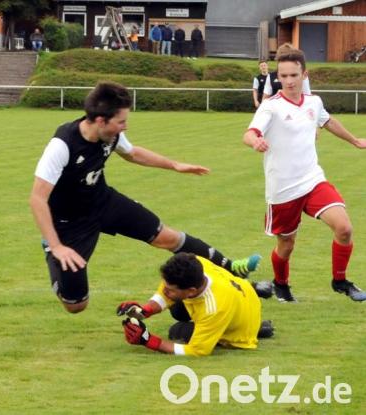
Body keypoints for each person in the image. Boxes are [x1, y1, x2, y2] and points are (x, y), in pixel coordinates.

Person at [30, 82, 261, 314]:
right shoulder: (62, 145)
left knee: (168, 237)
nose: (125, 127)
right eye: (121, 122)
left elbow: (132, 153)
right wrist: (58, 246)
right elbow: (37, 199)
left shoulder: (111, 135)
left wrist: (175, 165)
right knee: (76, 305)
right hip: (69, 222)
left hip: (103, 202)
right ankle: (51, 249)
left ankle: (231, 269)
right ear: (101, 120)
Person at [243, 45, 366, 303]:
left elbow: (328, 121)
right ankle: (280, 284)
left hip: (312, 180)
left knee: (344, 228)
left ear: (304, 75)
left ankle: (340, 280)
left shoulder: (314, 101)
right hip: (283, 188)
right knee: (286, 246)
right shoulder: (271, 107)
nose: (288, 81)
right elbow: (250, 132)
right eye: (283, 76)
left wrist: (354, 140)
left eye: (293, 75)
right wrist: (255, 141)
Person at [118, 253, 272, 356]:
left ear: (191, 291)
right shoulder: (196, 264)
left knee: (177, 331)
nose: (164, 290)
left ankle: (255, 329)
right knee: (177, 310)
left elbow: (196, 351)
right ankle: (255, 291)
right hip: (243, 295)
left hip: (238, 323)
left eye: (169, 289)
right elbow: (167, 288)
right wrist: (145, 310)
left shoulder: (214, 308)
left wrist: (148, 340)